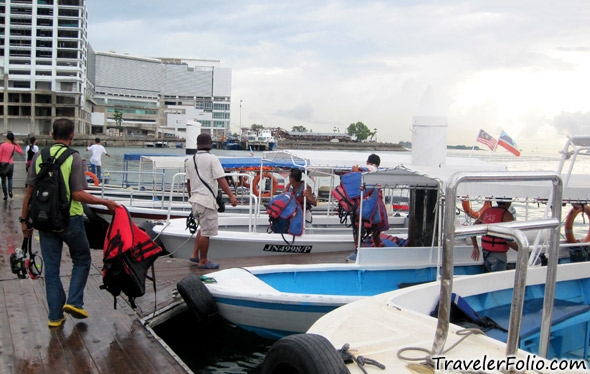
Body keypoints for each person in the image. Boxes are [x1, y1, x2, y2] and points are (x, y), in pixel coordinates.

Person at [21, 119, 120, 328]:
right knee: (82, 259)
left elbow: (29, 192)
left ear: (51, 133)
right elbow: (77, 194)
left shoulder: (39, 155)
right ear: (72, 136)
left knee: (52, 269)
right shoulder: (74, 157)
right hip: (70, 219)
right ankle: (74, 302)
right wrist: (105, 202)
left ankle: (55, 317)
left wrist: (24, 221)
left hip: (44, 220)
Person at [187, 133, 238, 269]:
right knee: (207, 232)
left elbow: (189, 182)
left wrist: (191, 198)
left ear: (197, 145)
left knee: (202, 227)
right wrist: (231, 196)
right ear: (210, 145)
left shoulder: (190, 159)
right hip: (207, 201)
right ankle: (203, 261)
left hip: (195, 199)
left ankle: (194, 254)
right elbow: (221, 179)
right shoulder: (212, 159)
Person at [348, 154, 382, 261]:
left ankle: (357, 252)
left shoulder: (368, 169)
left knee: (357, 227)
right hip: (377, 205)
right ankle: (378, 251)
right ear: (379, 164)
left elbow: (358, 174)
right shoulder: (379, 172)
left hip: (366, 205)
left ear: (368, 162)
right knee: (376, 230)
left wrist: (354, 170)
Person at [471, 200, 518, 272]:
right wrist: (522, 250)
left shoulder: (487, 211)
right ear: (508, 202)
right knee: (498, 280)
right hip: (498, 256)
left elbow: (473, 229)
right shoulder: (507, 215)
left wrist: (475, 247)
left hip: (486, 254)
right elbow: (509, 240)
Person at [0, 132, 23, 200]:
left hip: (3, 164)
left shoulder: (2, 145)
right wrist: (17, 144)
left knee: (3, 180)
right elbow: (21, 152)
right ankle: (10, 190)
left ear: (7, 138)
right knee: (10, 178)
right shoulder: (14, 146)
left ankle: (5, 195)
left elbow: (0, 155)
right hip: (11, 164)